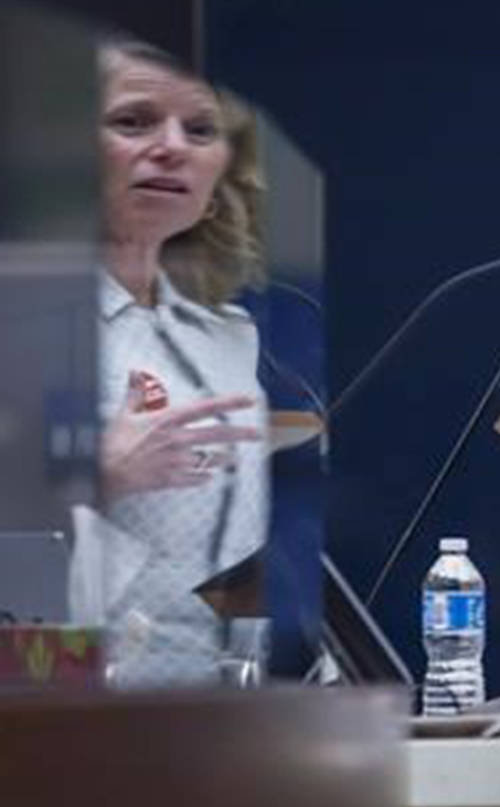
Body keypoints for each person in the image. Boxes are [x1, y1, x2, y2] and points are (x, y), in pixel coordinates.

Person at [69, 39, 270, 688]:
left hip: (216, 711)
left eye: (201, 129)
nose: (172, 146)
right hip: (58, 711)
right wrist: (94, 473)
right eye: (133, 121)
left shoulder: (229, 340)